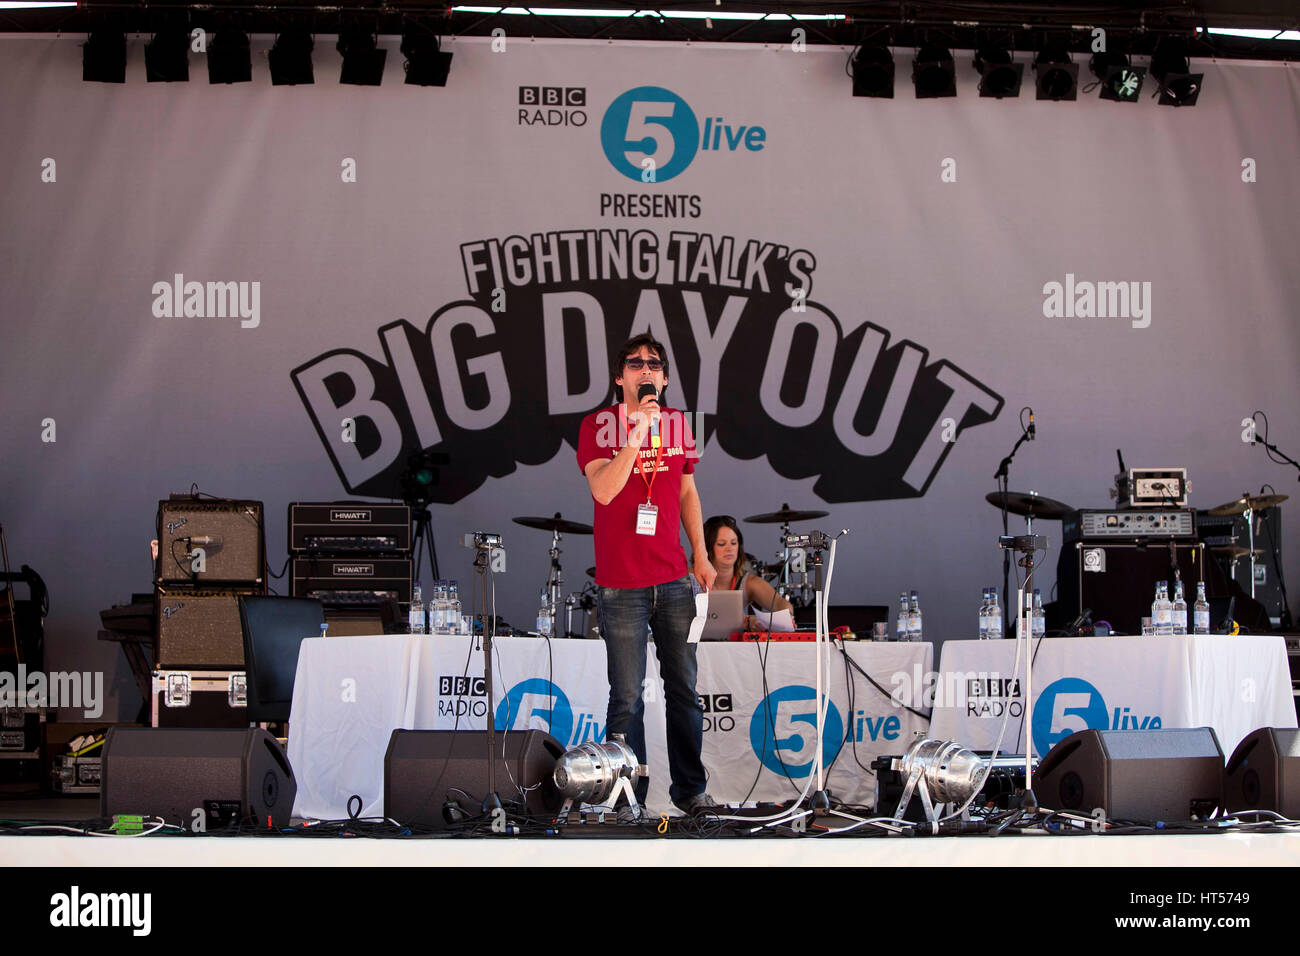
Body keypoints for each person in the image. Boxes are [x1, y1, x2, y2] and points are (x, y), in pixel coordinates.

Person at [576, 333, 717, 815]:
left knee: (685, 691)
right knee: (628, 697)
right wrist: (636, 432)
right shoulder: (596, 425)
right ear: (620, 378)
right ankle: (627, 799)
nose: (645, 371)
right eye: (635, 364)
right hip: (621, 585)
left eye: (654, 364)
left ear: (665, 377)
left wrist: (701, 553)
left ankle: (692, 793)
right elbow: (604, 491)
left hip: (674, 578)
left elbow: (686, 493)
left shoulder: (678, 425)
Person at [701, 515, 794, 632]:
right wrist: (746, 621)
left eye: (734, 543)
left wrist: (787, 617)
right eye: (721, 544)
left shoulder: (748, 582)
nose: (729, 548)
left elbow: (783, 604)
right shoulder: (690, 579)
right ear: (707, 548)